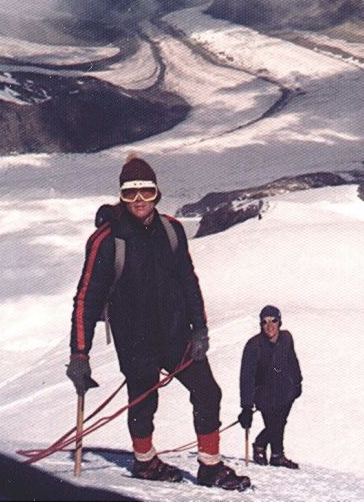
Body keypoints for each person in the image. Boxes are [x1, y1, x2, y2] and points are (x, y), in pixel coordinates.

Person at [66, 155, 250, 490]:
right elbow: (86, 300)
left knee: (208, 392)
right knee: (143, 402)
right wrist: (80, 354)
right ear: (121, 196)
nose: (139, 201)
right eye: (130, 193)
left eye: (146, 192)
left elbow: (188, 282)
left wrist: (200, 329)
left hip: (176, 334)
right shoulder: (106, 241)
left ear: (157, 193)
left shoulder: (172, 230)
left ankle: (210, 466)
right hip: (135, 340)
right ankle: (145, 462)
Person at [238, 305, 302, 469]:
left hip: (286, 390)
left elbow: (292, 360)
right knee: (275, 423)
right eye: (265, 322)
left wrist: (297, 382)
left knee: (279, 422)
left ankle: (273, 453)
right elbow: (247, 377)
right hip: (264, 394)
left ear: (280, 322)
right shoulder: (254, 345)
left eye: (274, 321)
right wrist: (246, 406)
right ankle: (270, 451)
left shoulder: (286, 338)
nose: (270, 326)